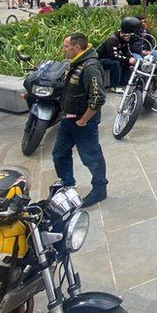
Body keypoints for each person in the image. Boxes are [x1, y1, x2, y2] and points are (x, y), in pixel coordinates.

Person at [53, 32, 108, 208]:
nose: (64, 49)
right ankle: (67, 184)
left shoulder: (90, 66)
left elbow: (98, 97)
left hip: (82, 122)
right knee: (59, 153)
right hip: (67, 120)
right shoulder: (76, 63)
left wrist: (84, 120)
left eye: (66, 46)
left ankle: (100, 189)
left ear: (77, 47)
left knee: (91, 156)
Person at [96, 18, 140, 91]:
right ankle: (114, 86)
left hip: (110, 58)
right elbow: (114, 56)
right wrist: (127, 59)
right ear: (122, 34)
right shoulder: (112, 40)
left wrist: (131, 58)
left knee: (130, 61)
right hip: (101, 59)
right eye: (127, 36)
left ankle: (124, 82)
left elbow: (127, 51)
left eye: (130, 36)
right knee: (115, 63)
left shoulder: (125, 40)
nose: (129, 38)